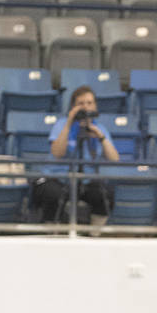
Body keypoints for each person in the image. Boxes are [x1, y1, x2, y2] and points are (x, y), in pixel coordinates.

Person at [32, 85, 119, 223]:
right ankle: (53, 232)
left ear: (95, 106)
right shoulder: (61, 124)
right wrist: (69, 123)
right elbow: (57, 153)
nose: (86, 107)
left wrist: (100, 137)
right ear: (73, 107)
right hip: (59, 178)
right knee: (52, 194)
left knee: (105, 194)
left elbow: (114, 159)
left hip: (86, 180)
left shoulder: (100, 128)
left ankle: (94, 233)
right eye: (81, 103)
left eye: (90, 103)